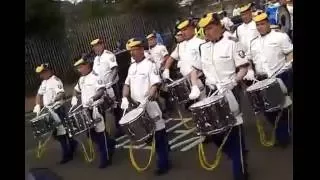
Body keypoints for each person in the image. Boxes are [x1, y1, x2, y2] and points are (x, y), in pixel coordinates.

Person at [189, 12, 250, 180]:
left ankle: (240, 170)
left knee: (233, 127)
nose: (207, 32)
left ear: (219, 26)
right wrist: (194, 85)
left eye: (210, 28)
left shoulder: (232, 44)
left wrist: (234, 81)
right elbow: (195, 70)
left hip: (229, 89)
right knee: (214, 133)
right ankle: (237, 153)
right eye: (204, 29)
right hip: (211, 91)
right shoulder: (203, 47)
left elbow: (243, 67)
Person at [121, 38, 171, 175]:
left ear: (142, 49)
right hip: (138, 108)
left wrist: (147, 98)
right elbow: (126, 85)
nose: (132, 52)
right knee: (148, 137)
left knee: (158, 135)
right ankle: (166, 150)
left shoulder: (149, 65)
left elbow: (155, 84)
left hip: (150, 105)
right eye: (131, 50)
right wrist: (124, 97)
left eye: (135, 50)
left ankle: (163, 164)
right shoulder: (131, 67)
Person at [245, 12, 293, 148]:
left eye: (262, 24)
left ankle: (283, 136)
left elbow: (290, 52)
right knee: (267, 110)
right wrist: (249, 70)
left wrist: (287, 65)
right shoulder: (253, 43)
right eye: (257, 25)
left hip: (279, 75)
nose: (260, 27)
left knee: (279, 107)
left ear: (267, 23)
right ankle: (282, 133)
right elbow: (249, 59)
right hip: (261, 79)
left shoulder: (280, 37)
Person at [71, 56, 115, 168]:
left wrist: (93, 98)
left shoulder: (96, 77)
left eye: (80, 67)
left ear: (87, 65)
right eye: (78, 68)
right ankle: (110, 143)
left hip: (96, 108)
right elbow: (76, 90)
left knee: (100, 133)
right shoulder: (81, 79)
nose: (79, 70)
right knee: (91, 134)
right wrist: (74, 97)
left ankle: (105, 159)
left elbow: (101, 90)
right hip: (86, 110)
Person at [33, 63, 77, 164]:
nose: (41, 75)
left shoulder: (55, 80)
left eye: (43, 72)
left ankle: (67, 154)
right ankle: (72, 143)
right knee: (57, 133)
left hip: (57, 109)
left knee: (61, 133)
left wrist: (54, 99)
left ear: (48, 71)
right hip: (49, 111)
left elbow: (61, 93)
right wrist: (37, 105)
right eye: (40, 73)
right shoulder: (44, 82)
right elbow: (38, 94)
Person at [162, 17, 206, 106]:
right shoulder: (180, 45)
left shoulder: (200, 42)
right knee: (195, 106)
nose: (183, 32)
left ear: (193, 29)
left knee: (204, 103)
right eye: (181, 30)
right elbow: (171, 58)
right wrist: (166, 69)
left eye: (185, 29)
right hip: (187, 81)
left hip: (200, 79)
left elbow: (205, 62)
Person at [89, 38, 123, 138]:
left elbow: (115, 69)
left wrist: (110, 82)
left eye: (98, 45)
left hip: (111, 86)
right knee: (102, 108)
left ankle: (120, 127)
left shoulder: (109, 55)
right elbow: (94, 74)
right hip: (101, 88)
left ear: (102, 45)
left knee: (115, 107)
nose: (96, 48)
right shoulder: (96, 59)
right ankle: (103, 131)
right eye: (94, 46)